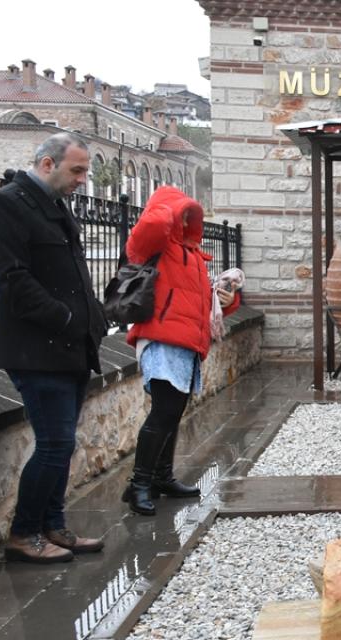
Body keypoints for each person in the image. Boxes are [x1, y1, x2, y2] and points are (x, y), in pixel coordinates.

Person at [0, 133, 108, 563]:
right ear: (47, 164)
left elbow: (71, 274)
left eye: (85, 171)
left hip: (71, 348)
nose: (83, 180)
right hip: (37, 349)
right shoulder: (5, 205)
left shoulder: (54, 205)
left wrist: (94, 316)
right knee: (53, 443)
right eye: (77, 170)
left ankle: (53, 525)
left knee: (63, 444)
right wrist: (66, 318)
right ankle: (24, 534)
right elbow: (11, 280)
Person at [121, 186, 241, 515]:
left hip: (186, 341)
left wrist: (228, 302)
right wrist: (171, 204)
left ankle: (161, 477)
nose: (187, 218)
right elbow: (147, 228)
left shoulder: (191, 254)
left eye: (190, 214)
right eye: (183, 213)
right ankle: (139, 484)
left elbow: (198, 305)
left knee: (172, 413)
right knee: (163, 412)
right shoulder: (156, 244)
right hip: (162, 340)